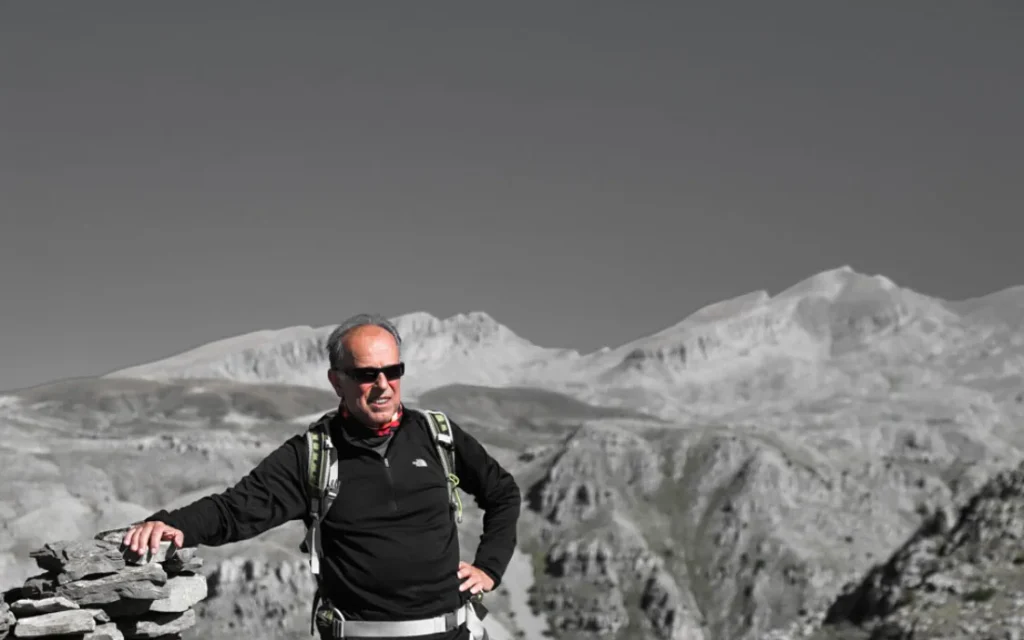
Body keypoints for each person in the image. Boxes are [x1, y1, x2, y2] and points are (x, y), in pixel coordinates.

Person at [123, 313, 522, 640]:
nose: (382, 386)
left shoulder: (438, 436)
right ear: (337, 381)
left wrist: (489, 567)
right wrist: (169, 523)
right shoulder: (311, 454)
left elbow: (502, 492)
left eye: (393, 371)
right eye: (366, 374)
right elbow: (235, 510)